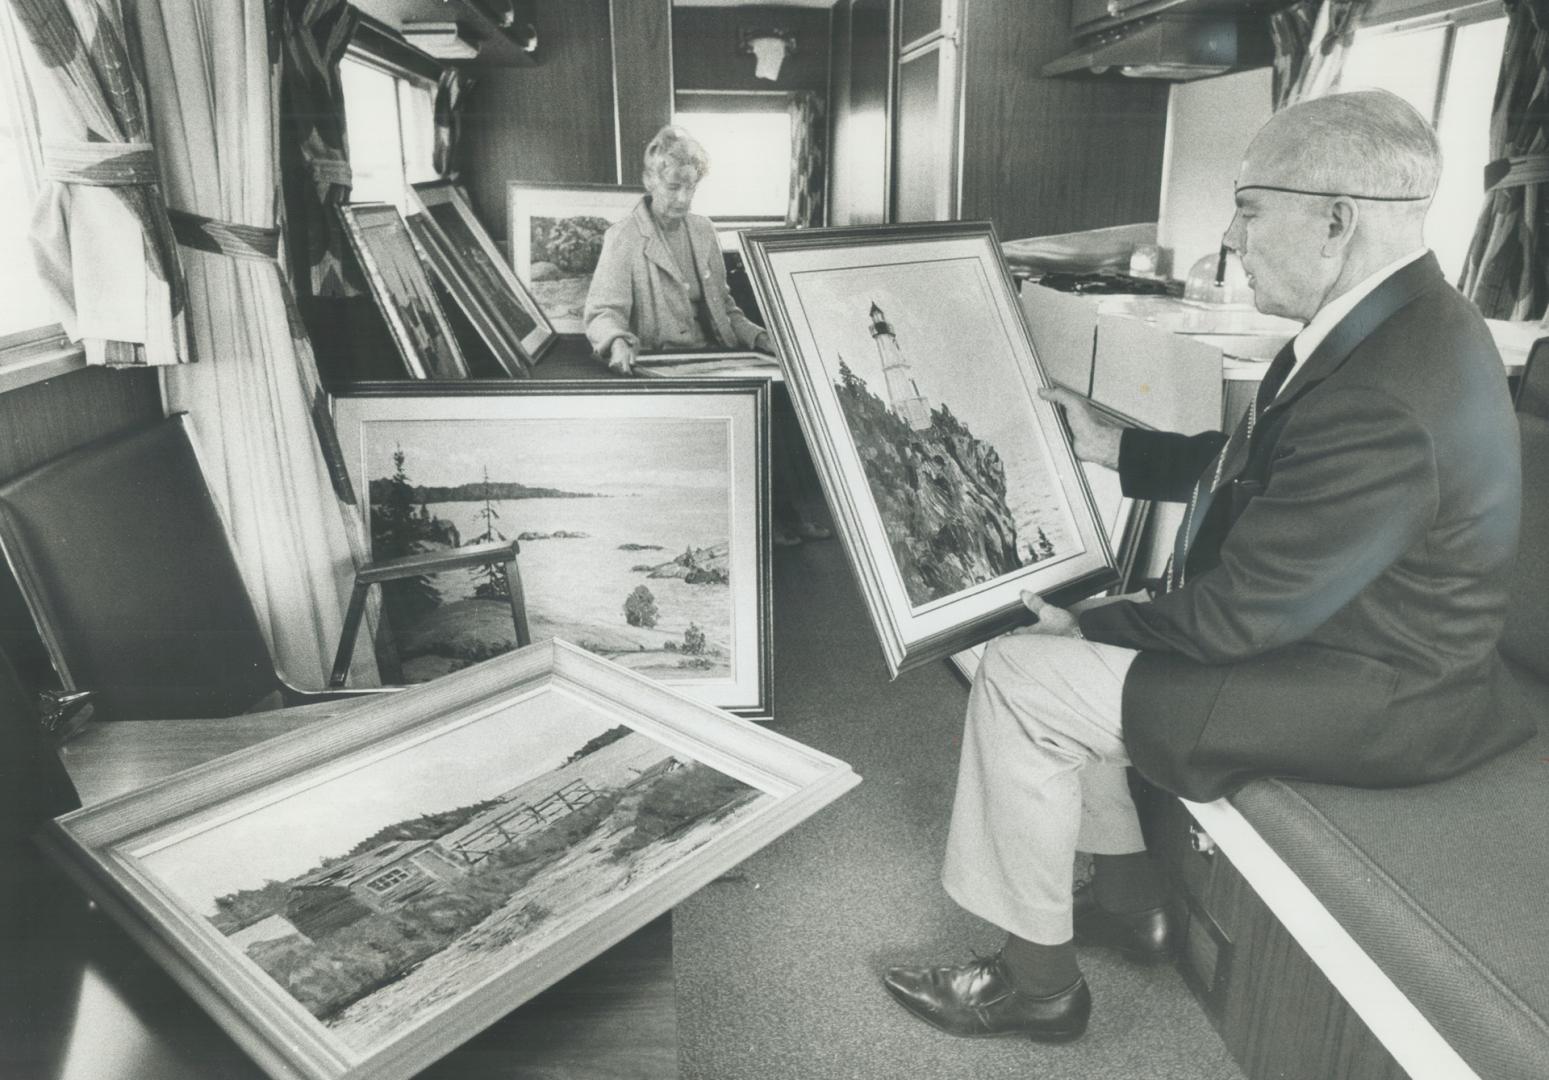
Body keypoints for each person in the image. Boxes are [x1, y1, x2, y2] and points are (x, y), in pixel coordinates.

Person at [882, 89, 1533, 1044]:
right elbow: (1280, 476)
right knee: (1075, 646)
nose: (1231, 234)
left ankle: (1038, 988)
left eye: (1248, 206)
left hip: (1374, 695)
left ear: (1335, 221)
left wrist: (1089, 623)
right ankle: (1130, 900)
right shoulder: (1410, 321)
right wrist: (1121, 449)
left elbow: (1235, 622)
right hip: (1353, 646)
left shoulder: (1387, 390)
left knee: (1023, 672)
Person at [585, 125, 831, 545]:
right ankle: (761, 524)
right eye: (673, 187)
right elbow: (602, 311)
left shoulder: (702, 231)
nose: (683, 199)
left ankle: (789, 514)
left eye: (691, 189)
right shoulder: (623, 238)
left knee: (785, 396)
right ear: (650, 180)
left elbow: (726, 308)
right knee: (747, 409)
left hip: (717, 355)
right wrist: (617, 341)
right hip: (663, 364)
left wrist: (760, 338)